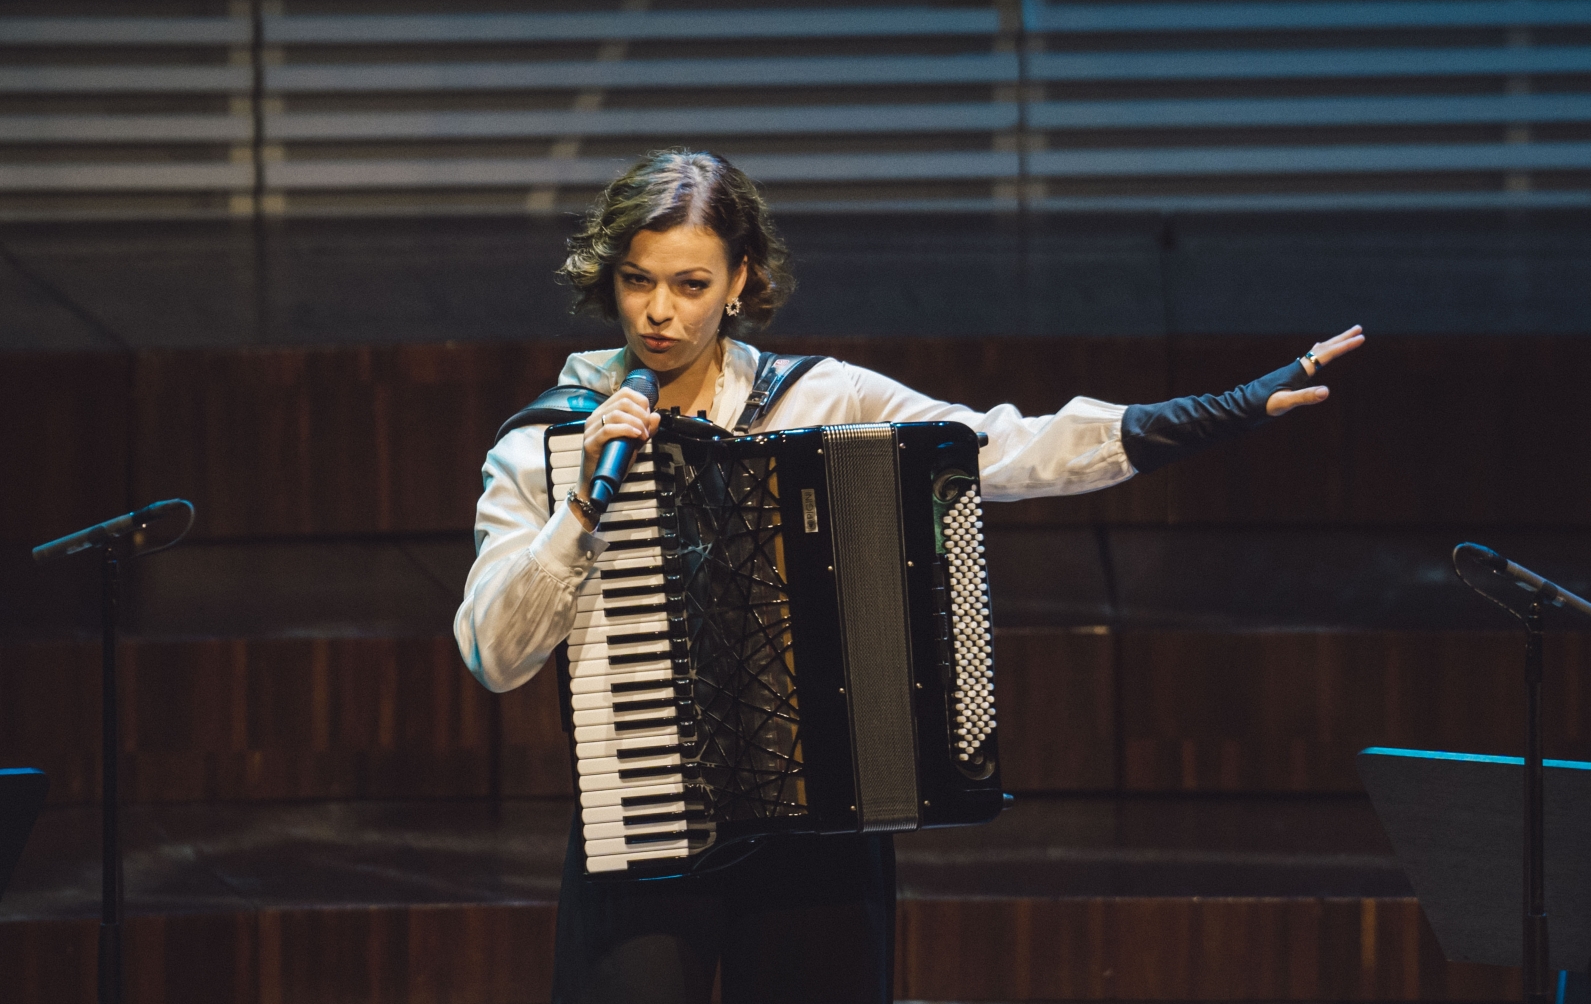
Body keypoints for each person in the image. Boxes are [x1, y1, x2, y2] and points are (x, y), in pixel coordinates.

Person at [454, 149, 1364, 1004]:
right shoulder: (547, 441)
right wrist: (580, 509)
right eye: (638, 281)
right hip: (645, 816)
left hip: (818, 831)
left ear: (738, 282)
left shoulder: (823, 399)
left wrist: (1219, 411)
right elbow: (494, 656)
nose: (660, 311)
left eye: (690, 285)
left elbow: (1004, 448)